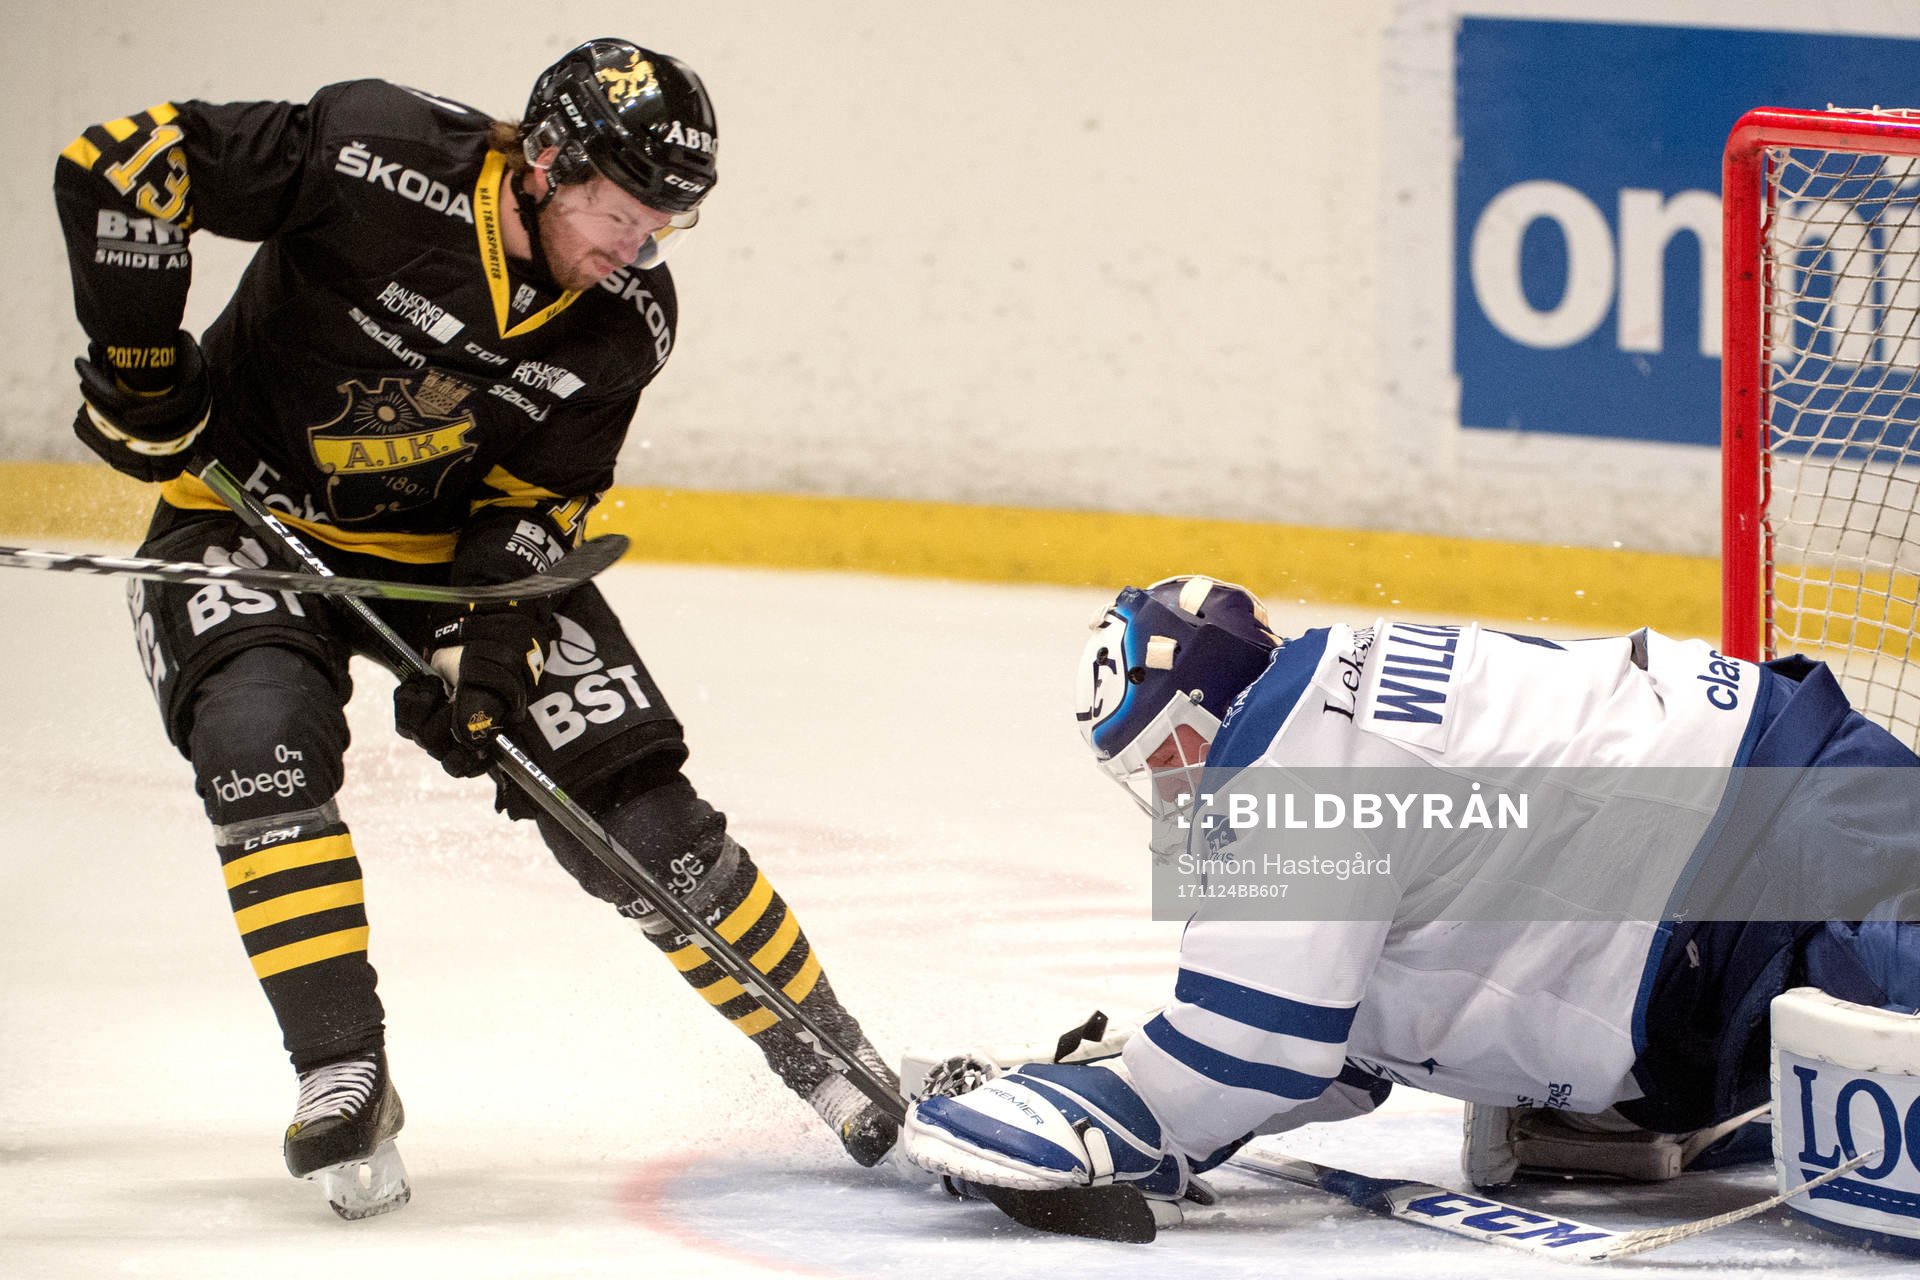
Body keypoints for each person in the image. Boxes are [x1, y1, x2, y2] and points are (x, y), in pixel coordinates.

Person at [55, 39, 896, 1217]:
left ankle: (834, 1053)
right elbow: (123, 159)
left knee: (636, 807)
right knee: (258, 739)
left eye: (662, 225)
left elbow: (539, 502)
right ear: (547, 160)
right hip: (246, 519)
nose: (637, 247)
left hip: (448, 563)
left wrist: (489, 645)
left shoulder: (629, 319)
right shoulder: (373, 152)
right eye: (622, 213)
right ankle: (342, 1067)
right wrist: (142, 365)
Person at [902, 575, 1920, 1217]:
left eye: (1165, 754)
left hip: (1796, 836)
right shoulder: (1330, 702)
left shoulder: (1290, 751)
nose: (1168, 790)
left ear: (1210, 706)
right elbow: (1334, 1042)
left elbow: (1261, 1039)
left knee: (1884, 980)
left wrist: (1114, 1110)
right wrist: (1140, 1082)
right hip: (1742, 881)